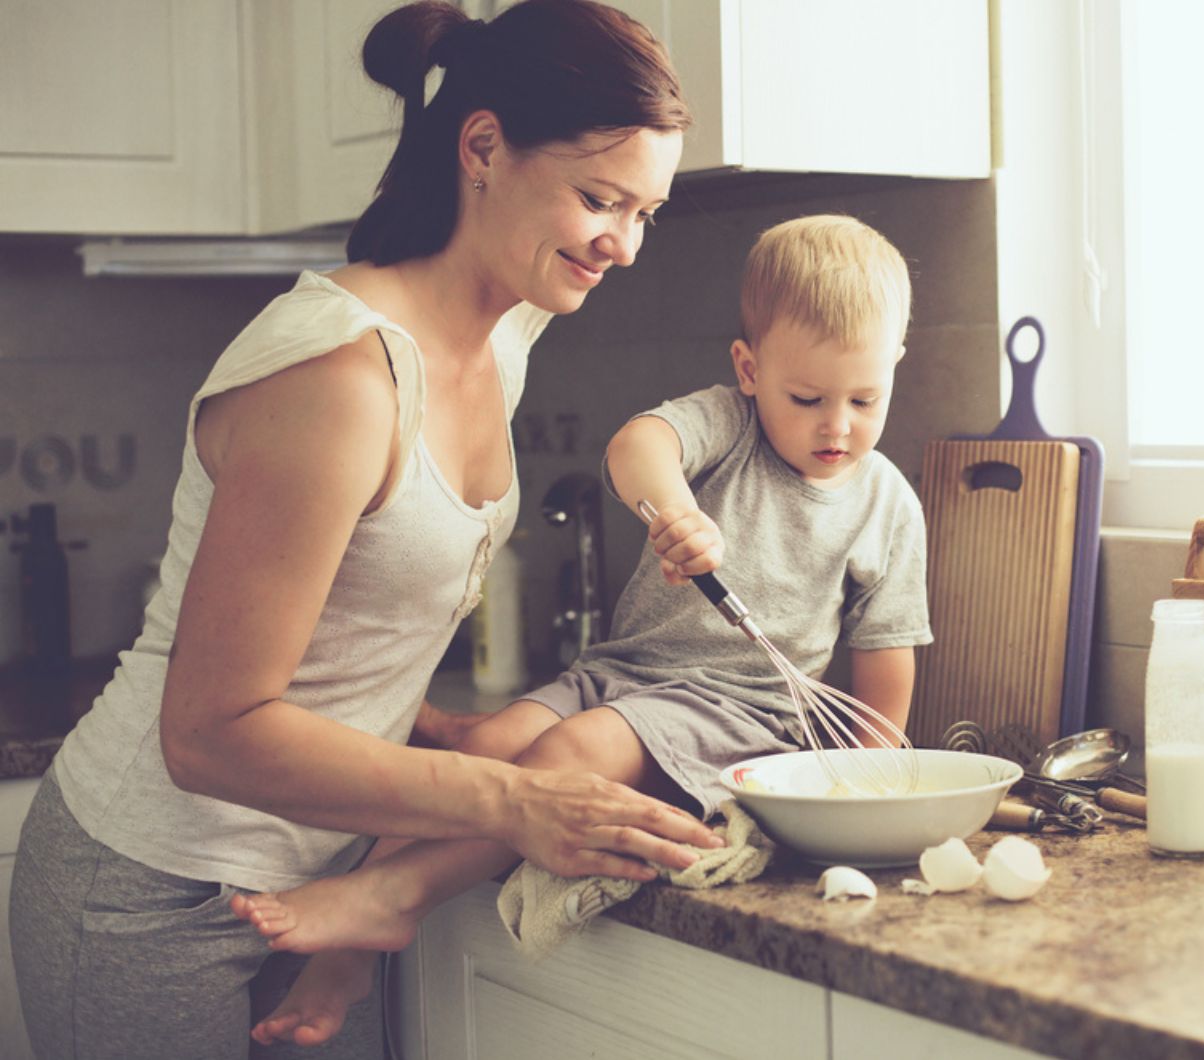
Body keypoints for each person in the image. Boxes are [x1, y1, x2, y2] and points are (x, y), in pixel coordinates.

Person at [7, 3, 726, 1058]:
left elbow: (344, 624)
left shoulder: (508, 327)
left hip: (328, 879)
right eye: (597, 198)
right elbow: (208, 728)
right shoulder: (340, 376)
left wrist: (437, 729)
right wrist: (512, 799)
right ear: (480, 147)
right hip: (150, 893)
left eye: (647, 211)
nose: (621, 244)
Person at [228, 212, 933, 1034]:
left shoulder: (888, 505)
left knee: (568, 758)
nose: (837, 425)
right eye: (806, 397)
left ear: (895, 371)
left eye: (865, 398)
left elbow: (886, 687)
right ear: (748, 368)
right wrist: (671, 509)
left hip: (743, 713)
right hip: (623, 673)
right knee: (487, 753)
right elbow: (638, 445)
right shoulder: (726, 427)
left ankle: (394, 893)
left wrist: (862, 799)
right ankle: (345, 959)